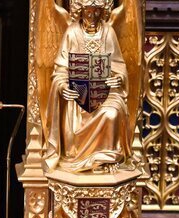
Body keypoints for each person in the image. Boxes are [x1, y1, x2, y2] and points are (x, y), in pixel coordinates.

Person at [45, 0, 131, 172]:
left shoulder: (108, 32)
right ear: (81, 11)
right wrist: (62, 87)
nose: (92, 17)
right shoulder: (72, 32)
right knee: (73, 129)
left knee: (112, 113)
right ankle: (77, 157)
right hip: (78, 95)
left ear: (103, 11)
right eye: (88, 12)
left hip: (106, 93)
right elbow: (61, 70)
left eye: (97, 12)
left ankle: (107, 159)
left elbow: (118, 65)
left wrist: (119, 79)